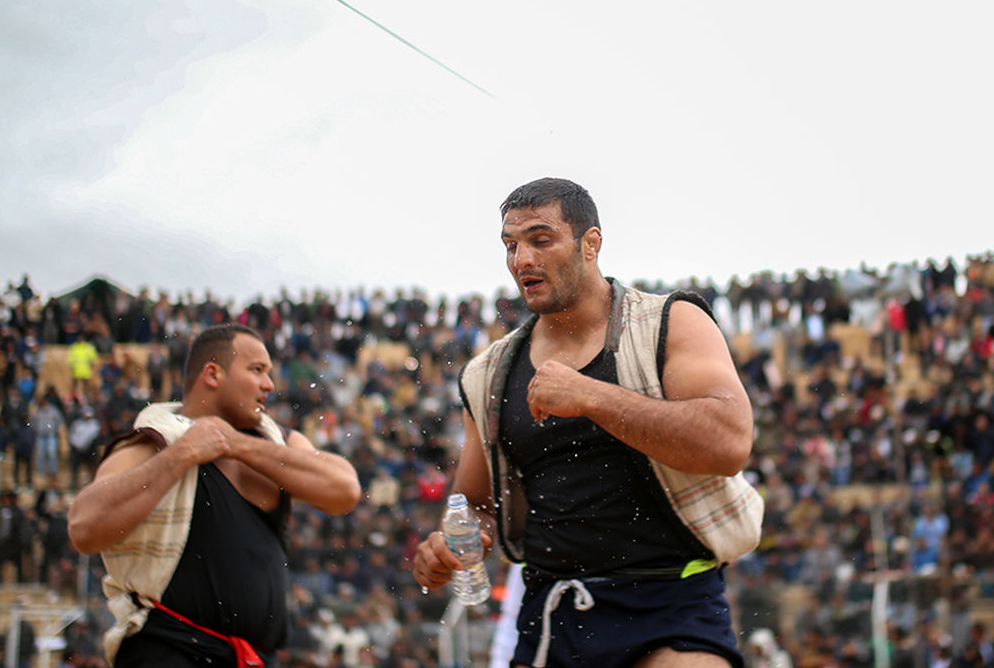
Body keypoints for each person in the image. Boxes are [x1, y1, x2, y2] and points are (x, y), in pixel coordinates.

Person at [411, 178, 763, 668]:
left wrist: (592, 396)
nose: (521, 260)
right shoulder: (488, 373)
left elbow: (728, 442)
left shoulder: (669, 322)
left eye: (540, 239)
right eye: (510, 246)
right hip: (552, 611)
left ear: (591, 243)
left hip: (671, 599)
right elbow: (475, 502)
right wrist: (453, 544)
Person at [68, 323, 361, 668]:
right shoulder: (154, 442)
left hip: (255, 659)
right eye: (257, 371)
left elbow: (345, 490)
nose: (269, 385)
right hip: (168, 651)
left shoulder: (275, 441)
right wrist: (180, 456)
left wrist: (236, 445)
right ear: (212, 374)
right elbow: (84, 528)